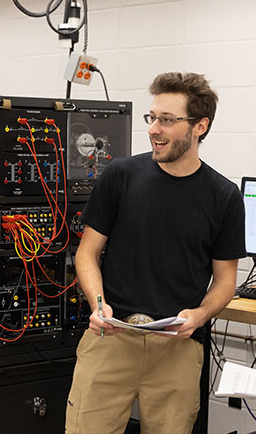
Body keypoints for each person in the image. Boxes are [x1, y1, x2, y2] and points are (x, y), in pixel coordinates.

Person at [65, 72, 246, 434]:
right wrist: (97, 305)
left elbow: (226, 280)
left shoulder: (223, 197)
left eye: (167, 120)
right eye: (153, 118)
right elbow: (87, 254)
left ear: (200, 126)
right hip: (111, 338)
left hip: (176, 349)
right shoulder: (119, 176)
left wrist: (199, 314)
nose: (153, 129)